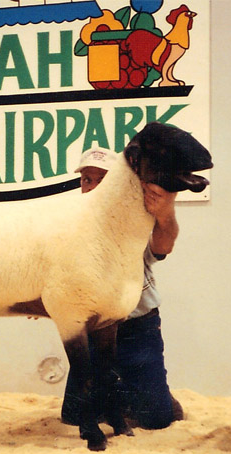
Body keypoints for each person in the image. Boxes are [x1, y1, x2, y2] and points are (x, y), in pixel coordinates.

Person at [61, 147, 184, 430]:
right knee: (73, 416)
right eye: (87, 180)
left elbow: (162, 246)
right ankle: (122, 396)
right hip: (93, 330)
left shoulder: (136, 216)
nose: (92, 187)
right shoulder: (68, 225)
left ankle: (156, 397)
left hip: (137, 327)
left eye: (101, 180)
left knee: (157, 419)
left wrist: (165, 213)